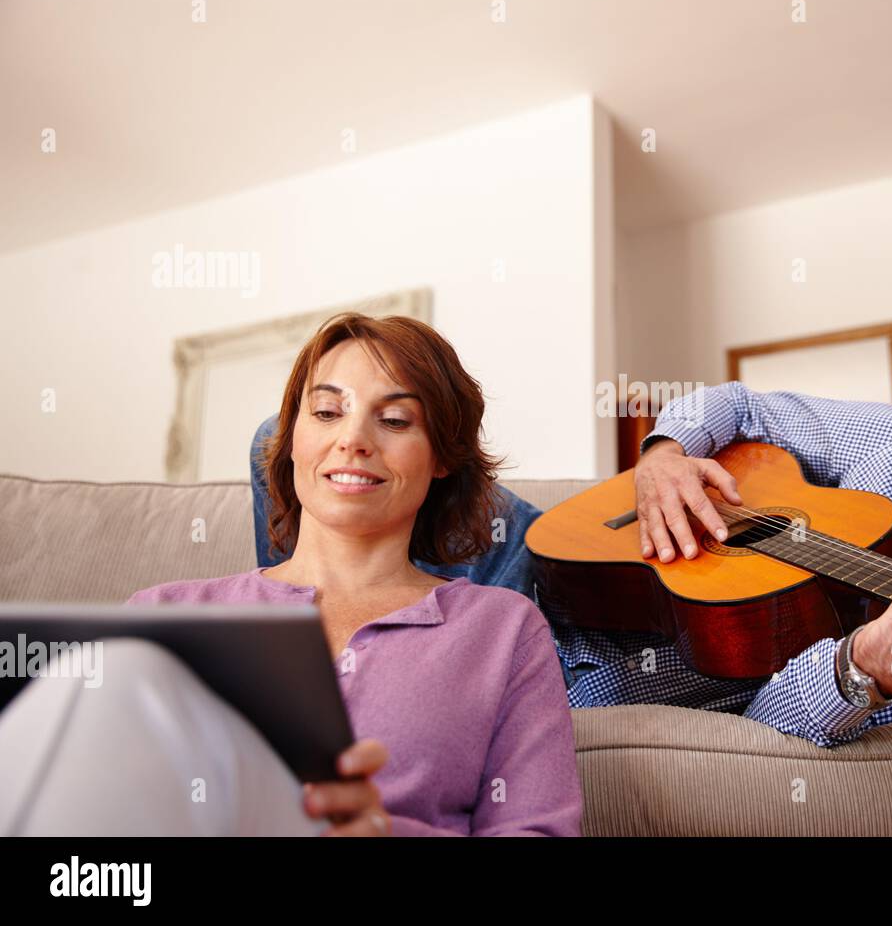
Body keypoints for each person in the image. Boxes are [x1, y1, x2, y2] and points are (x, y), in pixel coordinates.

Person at [248, 330, 892, 749]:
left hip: (572, 681)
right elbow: (736, 403)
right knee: (279, 437)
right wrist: (670, 452)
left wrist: (867, 663)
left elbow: (775, 718)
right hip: (547, 562)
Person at [0, 314, 582, 836]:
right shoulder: (165, 611)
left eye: (396, 420)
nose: (352, 439)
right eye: (327, 412)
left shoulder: (503, 629)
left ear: (441, 457)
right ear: (292, 439)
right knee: (118, 670)